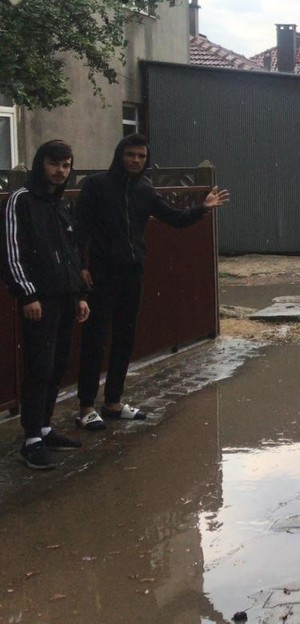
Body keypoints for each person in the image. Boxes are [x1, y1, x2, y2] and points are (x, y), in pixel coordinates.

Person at [73, 133, 229, 429]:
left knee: (125, 336)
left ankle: (114, 403)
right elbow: (80, 229)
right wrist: (81, 266)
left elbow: (174, 218)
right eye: (131, 154)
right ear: (120, 155)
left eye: (141, 156)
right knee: (95, 339)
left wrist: (202, 208)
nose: (136, 160)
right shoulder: (96, 185)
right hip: (102, 273)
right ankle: (86, 407)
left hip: (132, 272)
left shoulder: (145, 189)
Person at [2, 140, 90, 469]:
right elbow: (11, 253)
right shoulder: (20, 201)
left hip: (66, 298)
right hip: (39, 301)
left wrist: (80, 295)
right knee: (38, 367)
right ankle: (31, 440)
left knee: (57, 365)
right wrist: (28, 294)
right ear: (42, 164)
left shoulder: (60, 204)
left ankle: (45, 426)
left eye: (66, 165)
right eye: (54, 164)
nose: (60, 171)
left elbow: (71, 253)